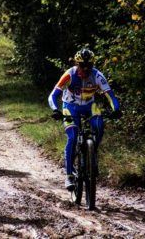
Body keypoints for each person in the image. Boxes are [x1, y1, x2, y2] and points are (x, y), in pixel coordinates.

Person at [48, 48, 121, 191]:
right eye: (82, 65)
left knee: (99, 126)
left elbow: (110, 96)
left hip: (89, 107)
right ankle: (69, 175)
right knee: (73, 136)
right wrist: (55, 110)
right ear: (77, 64)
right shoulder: (69, 74)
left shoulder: (98, 76)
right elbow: (52, 95)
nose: (86, 69)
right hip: (71, 107)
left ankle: (92, 154)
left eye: (89, 65)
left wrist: (116, 109)